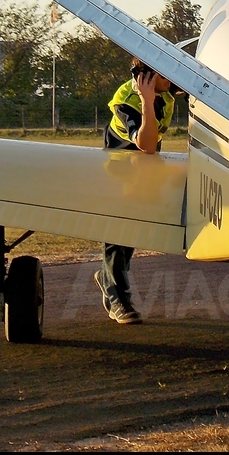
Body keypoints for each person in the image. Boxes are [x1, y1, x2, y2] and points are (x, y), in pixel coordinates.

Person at [95, 58, 177, 324]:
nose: (171, 79)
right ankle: (118, 297)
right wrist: (146, 101)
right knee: (118, 228)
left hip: (145, 166)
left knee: (134, 228)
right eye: (164, 75)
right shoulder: (126, 101)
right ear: (147, 80)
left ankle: (108, 277)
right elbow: (147, 144)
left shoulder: (166, 87)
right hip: (121, 163)